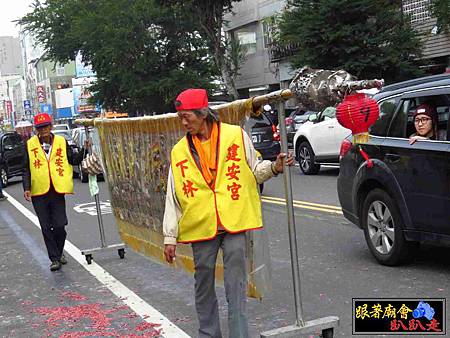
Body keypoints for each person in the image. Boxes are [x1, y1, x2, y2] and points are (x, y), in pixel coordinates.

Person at [163, 88, 294, 338]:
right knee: (203, 283)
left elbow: (255, 170)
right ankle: (209, 334)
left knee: (236, 284)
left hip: (234, 221)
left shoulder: (236, 136)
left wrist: (275, 167)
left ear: (203, 114)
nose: (182, 122)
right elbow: (173, 195)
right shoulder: (179, 151)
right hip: (201, 225)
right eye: (180, 117)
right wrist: (170, 236)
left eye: (186, 116)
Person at [22, 113, 87, 271]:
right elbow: (26, 168)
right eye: (40, 128)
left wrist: (85, 148)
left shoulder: (61, 142)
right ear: (37, 130)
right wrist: (27, 188)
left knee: (59, 225)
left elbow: (73, 160)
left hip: (57, 191)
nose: (43, 130)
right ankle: (55, 259)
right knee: (45, 227)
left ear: (50, 127)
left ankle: (58, 251)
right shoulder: (29, 144)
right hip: (39, 192)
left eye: (45, 126)